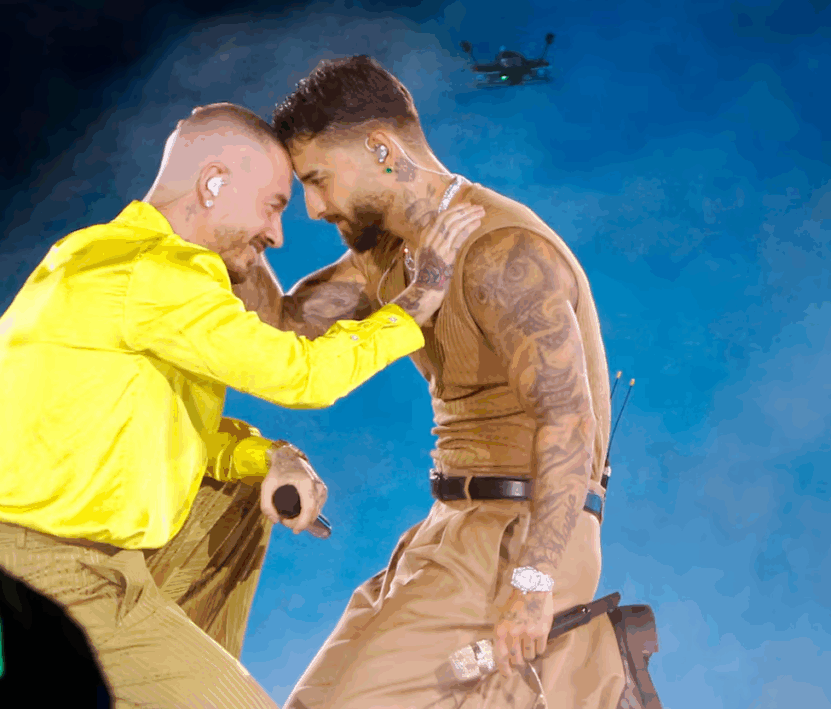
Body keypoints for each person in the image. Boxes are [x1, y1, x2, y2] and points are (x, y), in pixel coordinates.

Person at [0, 102, 483, 709]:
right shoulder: (156, 272)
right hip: (45, 578)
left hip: (29, 562)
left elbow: (145, 424)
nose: (277, 233)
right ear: (213, 183)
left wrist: (265, 457)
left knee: (241, 492)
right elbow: (303, 376)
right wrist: (420, 296)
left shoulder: (100, 254)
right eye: (272, 205)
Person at [231, 57, 629, 708]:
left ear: (381, 150)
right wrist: (231, 225)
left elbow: (568, 422)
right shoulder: (390, 255)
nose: (314, 207)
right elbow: (282, 327)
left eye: (318, 180)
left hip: (522, 535)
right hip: (448, 527)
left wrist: (533, 583)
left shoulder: (502, 253)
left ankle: (586, 671)